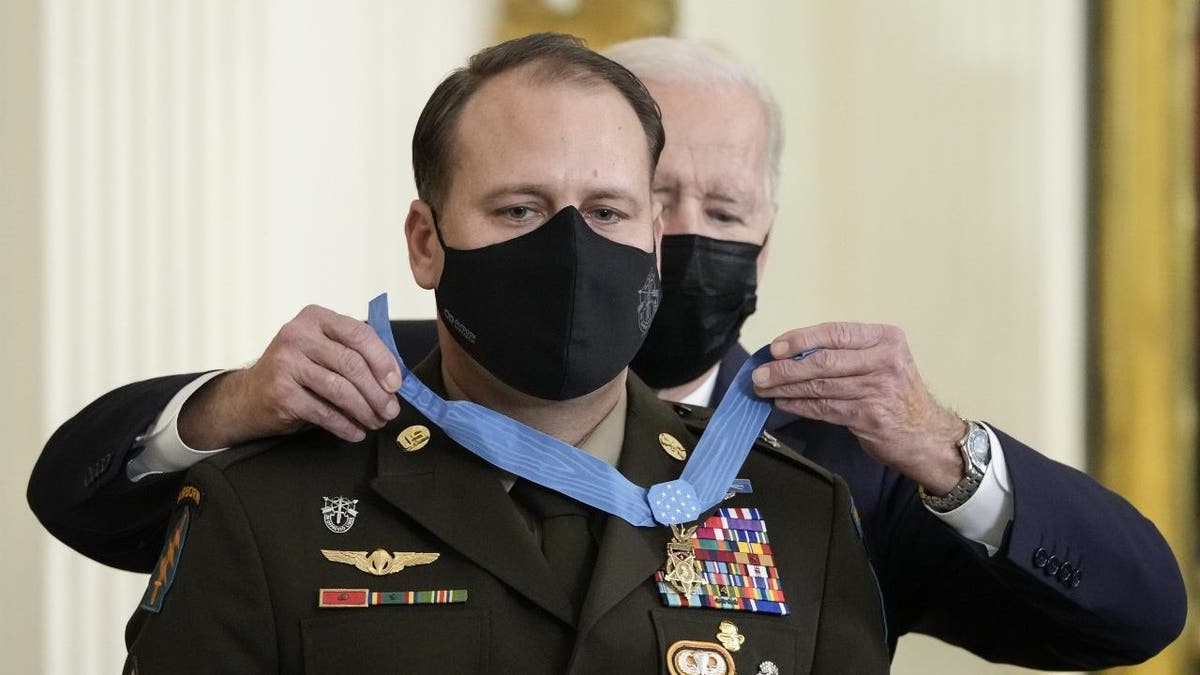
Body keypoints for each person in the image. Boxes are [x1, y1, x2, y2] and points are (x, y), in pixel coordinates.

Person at [27, 34, 1185, 670]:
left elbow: (1133, 614)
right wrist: (226, 404)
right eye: (641, 196)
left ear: (767, 240)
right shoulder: (367, 396)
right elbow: (83, 496)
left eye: (717, 211)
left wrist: (944, 450)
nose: (671, 238)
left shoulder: (830, 471)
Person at [117, 33, 889, 673]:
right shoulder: (262, 510)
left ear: (653, 245)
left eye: (607, 210)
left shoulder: (799, 516)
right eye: (520, 208)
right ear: (426, 242)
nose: (572, 249)